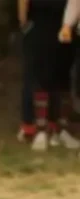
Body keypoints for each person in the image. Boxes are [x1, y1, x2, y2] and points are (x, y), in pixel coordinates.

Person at [20, 0, 80, 150]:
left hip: (66, 21)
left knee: (63, 77)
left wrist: (69, 23)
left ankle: (60, 129)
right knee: (41, 76)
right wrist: (24, 22)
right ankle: (41, 130)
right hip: (40, 22)